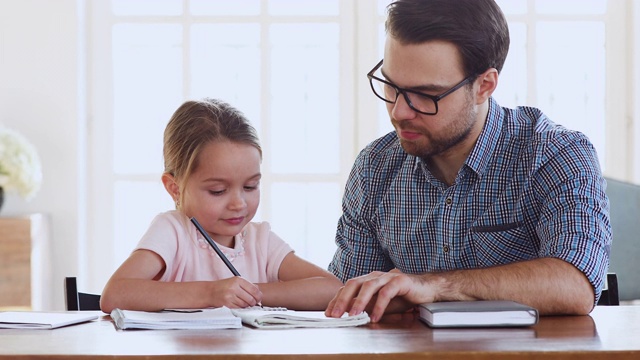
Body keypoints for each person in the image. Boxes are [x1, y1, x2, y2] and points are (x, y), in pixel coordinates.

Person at [325, 0, 611, 323]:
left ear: (484, 86)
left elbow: (576, 285)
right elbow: (347, 294)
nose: (398, 112)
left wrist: (434, 286)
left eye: (425, 95)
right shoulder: (374, 169)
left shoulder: (555, 155)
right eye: (391, 86)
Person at [101, 98, 342, 313]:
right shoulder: (173, 231)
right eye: (218, 191)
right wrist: (211, 294)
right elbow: (115, 294)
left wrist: (247, 293)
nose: (239, 204)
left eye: (250, 187)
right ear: (174, 187)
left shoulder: (260, 240)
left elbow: (332, 289)